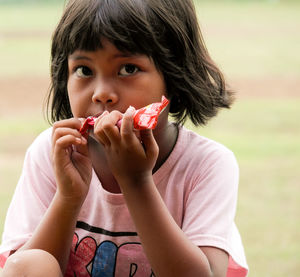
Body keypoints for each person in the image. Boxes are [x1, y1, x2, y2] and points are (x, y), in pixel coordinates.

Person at [0, 0, 248, 276]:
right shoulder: (53, 153)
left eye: (128, 69)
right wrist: (68, 198)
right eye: (84, 70)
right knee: (28, 261)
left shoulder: (205, 164)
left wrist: (136, 181)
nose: (101, 93)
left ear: (174, 76)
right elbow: (23, 270)